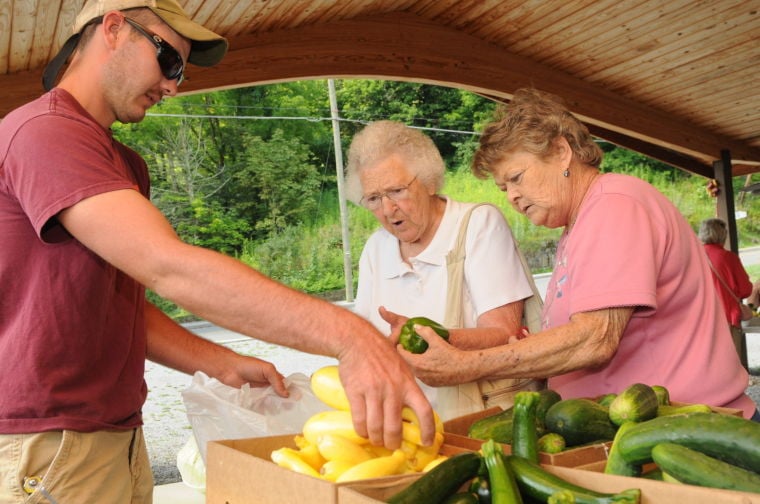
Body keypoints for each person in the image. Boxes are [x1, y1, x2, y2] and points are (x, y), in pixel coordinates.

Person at [0, 1, 433, 502]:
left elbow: (119, 306)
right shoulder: (44, 132)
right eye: (169, 61)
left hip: (114, 433)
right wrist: (353, 337)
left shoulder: (122, 162)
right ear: (114, 29)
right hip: (51, 438)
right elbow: (168, 266)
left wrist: (220, 362)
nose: (173, 84)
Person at [398, 87, 759, 420]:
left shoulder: (615, 205)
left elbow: (594, 338)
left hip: (685, 433)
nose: (511, 196)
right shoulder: (582, 221)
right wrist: (446, 341)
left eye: (517, 177)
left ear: (560, 152)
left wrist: (468, 365)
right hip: (642, 430)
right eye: (503, 187)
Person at [344, 120, 543, 420]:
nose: (387, 210)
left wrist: (427, 336)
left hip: (482, 419)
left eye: (397, 191)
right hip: (406, 421)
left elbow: (504, 333)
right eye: (373, 198)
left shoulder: (478, 224)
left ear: (429, 181)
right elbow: (364, 341)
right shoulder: (376, 248)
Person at [699, 217, 753, 369]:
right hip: (728, 317)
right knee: (731, 366)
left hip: (702, 319)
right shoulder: (728, 258)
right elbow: (745, 290)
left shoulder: (695, 257)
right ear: (722, 235)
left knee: (709, 365)